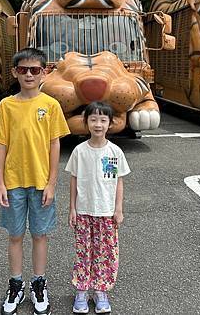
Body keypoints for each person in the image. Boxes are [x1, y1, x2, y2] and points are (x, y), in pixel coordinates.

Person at [0, 47, 70, 315]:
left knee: (39, 234)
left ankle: (38, 283)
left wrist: (52, 183)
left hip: (41, 183)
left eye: (35, 70)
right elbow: (0, 145)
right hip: (13, 182)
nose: (28, 74)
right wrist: (0, 183)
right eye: (23, 69)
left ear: (44, 73)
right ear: (14, 72)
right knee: (15, 235)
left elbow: (54, 145)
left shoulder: (50, 105)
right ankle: (16, 284)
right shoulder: (6, 105)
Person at [65, 101, 130, 314]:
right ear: (86, 122)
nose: (98, 124)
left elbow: (119, 181)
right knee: (83, 253)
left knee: (105, 253)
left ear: (110, 124)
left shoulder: (115, 152)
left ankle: (101, 291)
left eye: (103, 120)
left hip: (106, 213)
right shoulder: (79, 151)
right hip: (83, 211)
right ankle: (82, 291)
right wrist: (72, 208)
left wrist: (118, 209)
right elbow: (74, 180)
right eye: (93, 119)